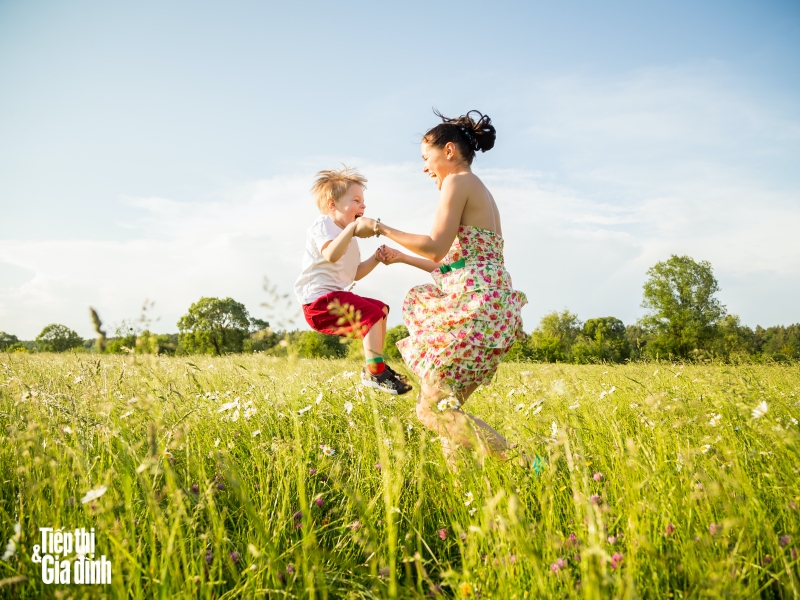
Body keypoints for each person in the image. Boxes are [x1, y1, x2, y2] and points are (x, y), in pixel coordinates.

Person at [357, 111, 527, 459]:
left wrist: (380, 227)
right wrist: (404, 258)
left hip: (475, 307)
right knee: (448, 411)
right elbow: (452, 262)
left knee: (431, 411)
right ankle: (463, 496)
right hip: (491, 307)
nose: (424, 168)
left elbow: (435, 244)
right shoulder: (479, 190)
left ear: (449, 150)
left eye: (426, 158)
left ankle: (531, 465)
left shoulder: (458, 181)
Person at [294, 167, 412, 395]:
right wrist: (351, 229)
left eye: (364, 201)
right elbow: (331, 254)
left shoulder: (349, 238)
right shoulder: (323, 226)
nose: (363, 206)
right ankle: (376, 372)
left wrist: (376, 258)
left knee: (381, 309)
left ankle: (376, 366)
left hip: (334, 298)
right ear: (332, 205)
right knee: (372, 315)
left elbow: (355, 273)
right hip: (317, 303)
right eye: (356, 200)